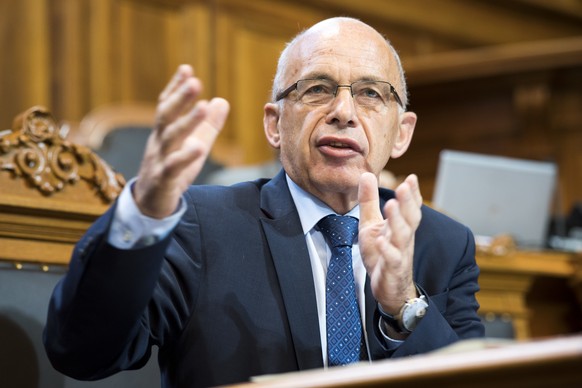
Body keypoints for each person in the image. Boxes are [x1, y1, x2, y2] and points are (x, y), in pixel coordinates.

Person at [44, 17, 484, 388]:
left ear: (402, 132)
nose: (344, 111)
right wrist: (143, 213)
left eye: (371, 93)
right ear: (275, 125)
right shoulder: (200, 225)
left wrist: (403, 304)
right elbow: (82, 353)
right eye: (317, 88)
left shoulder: (442, 244)